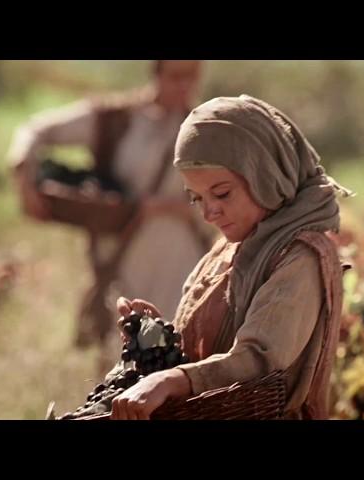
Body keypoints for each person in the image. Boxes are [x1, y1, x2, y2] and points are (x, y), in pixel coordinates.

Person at [110, 94, 351, 420]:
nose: (209, 212)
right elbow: (202, 359)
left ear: (266, 174)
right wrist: (154, 341)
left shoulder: (300, 258)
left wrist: (171, 379)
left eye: (222, 193)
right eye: (196, 198)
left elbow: (258, 361)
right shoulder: (227, 249)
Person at [6, 61, 213, 351]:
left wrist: (175, 208)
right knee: (119, 356)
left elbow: (227, 197)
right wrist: (25, 180)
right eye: (176, 76)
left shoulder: (206, 128)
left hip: (179, 260)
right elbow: (34, 130)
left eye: (191, 77)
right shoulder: (116, 119)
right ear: (156, 73)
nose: (184, 86)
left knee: (174, 352)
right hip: (121, 251)